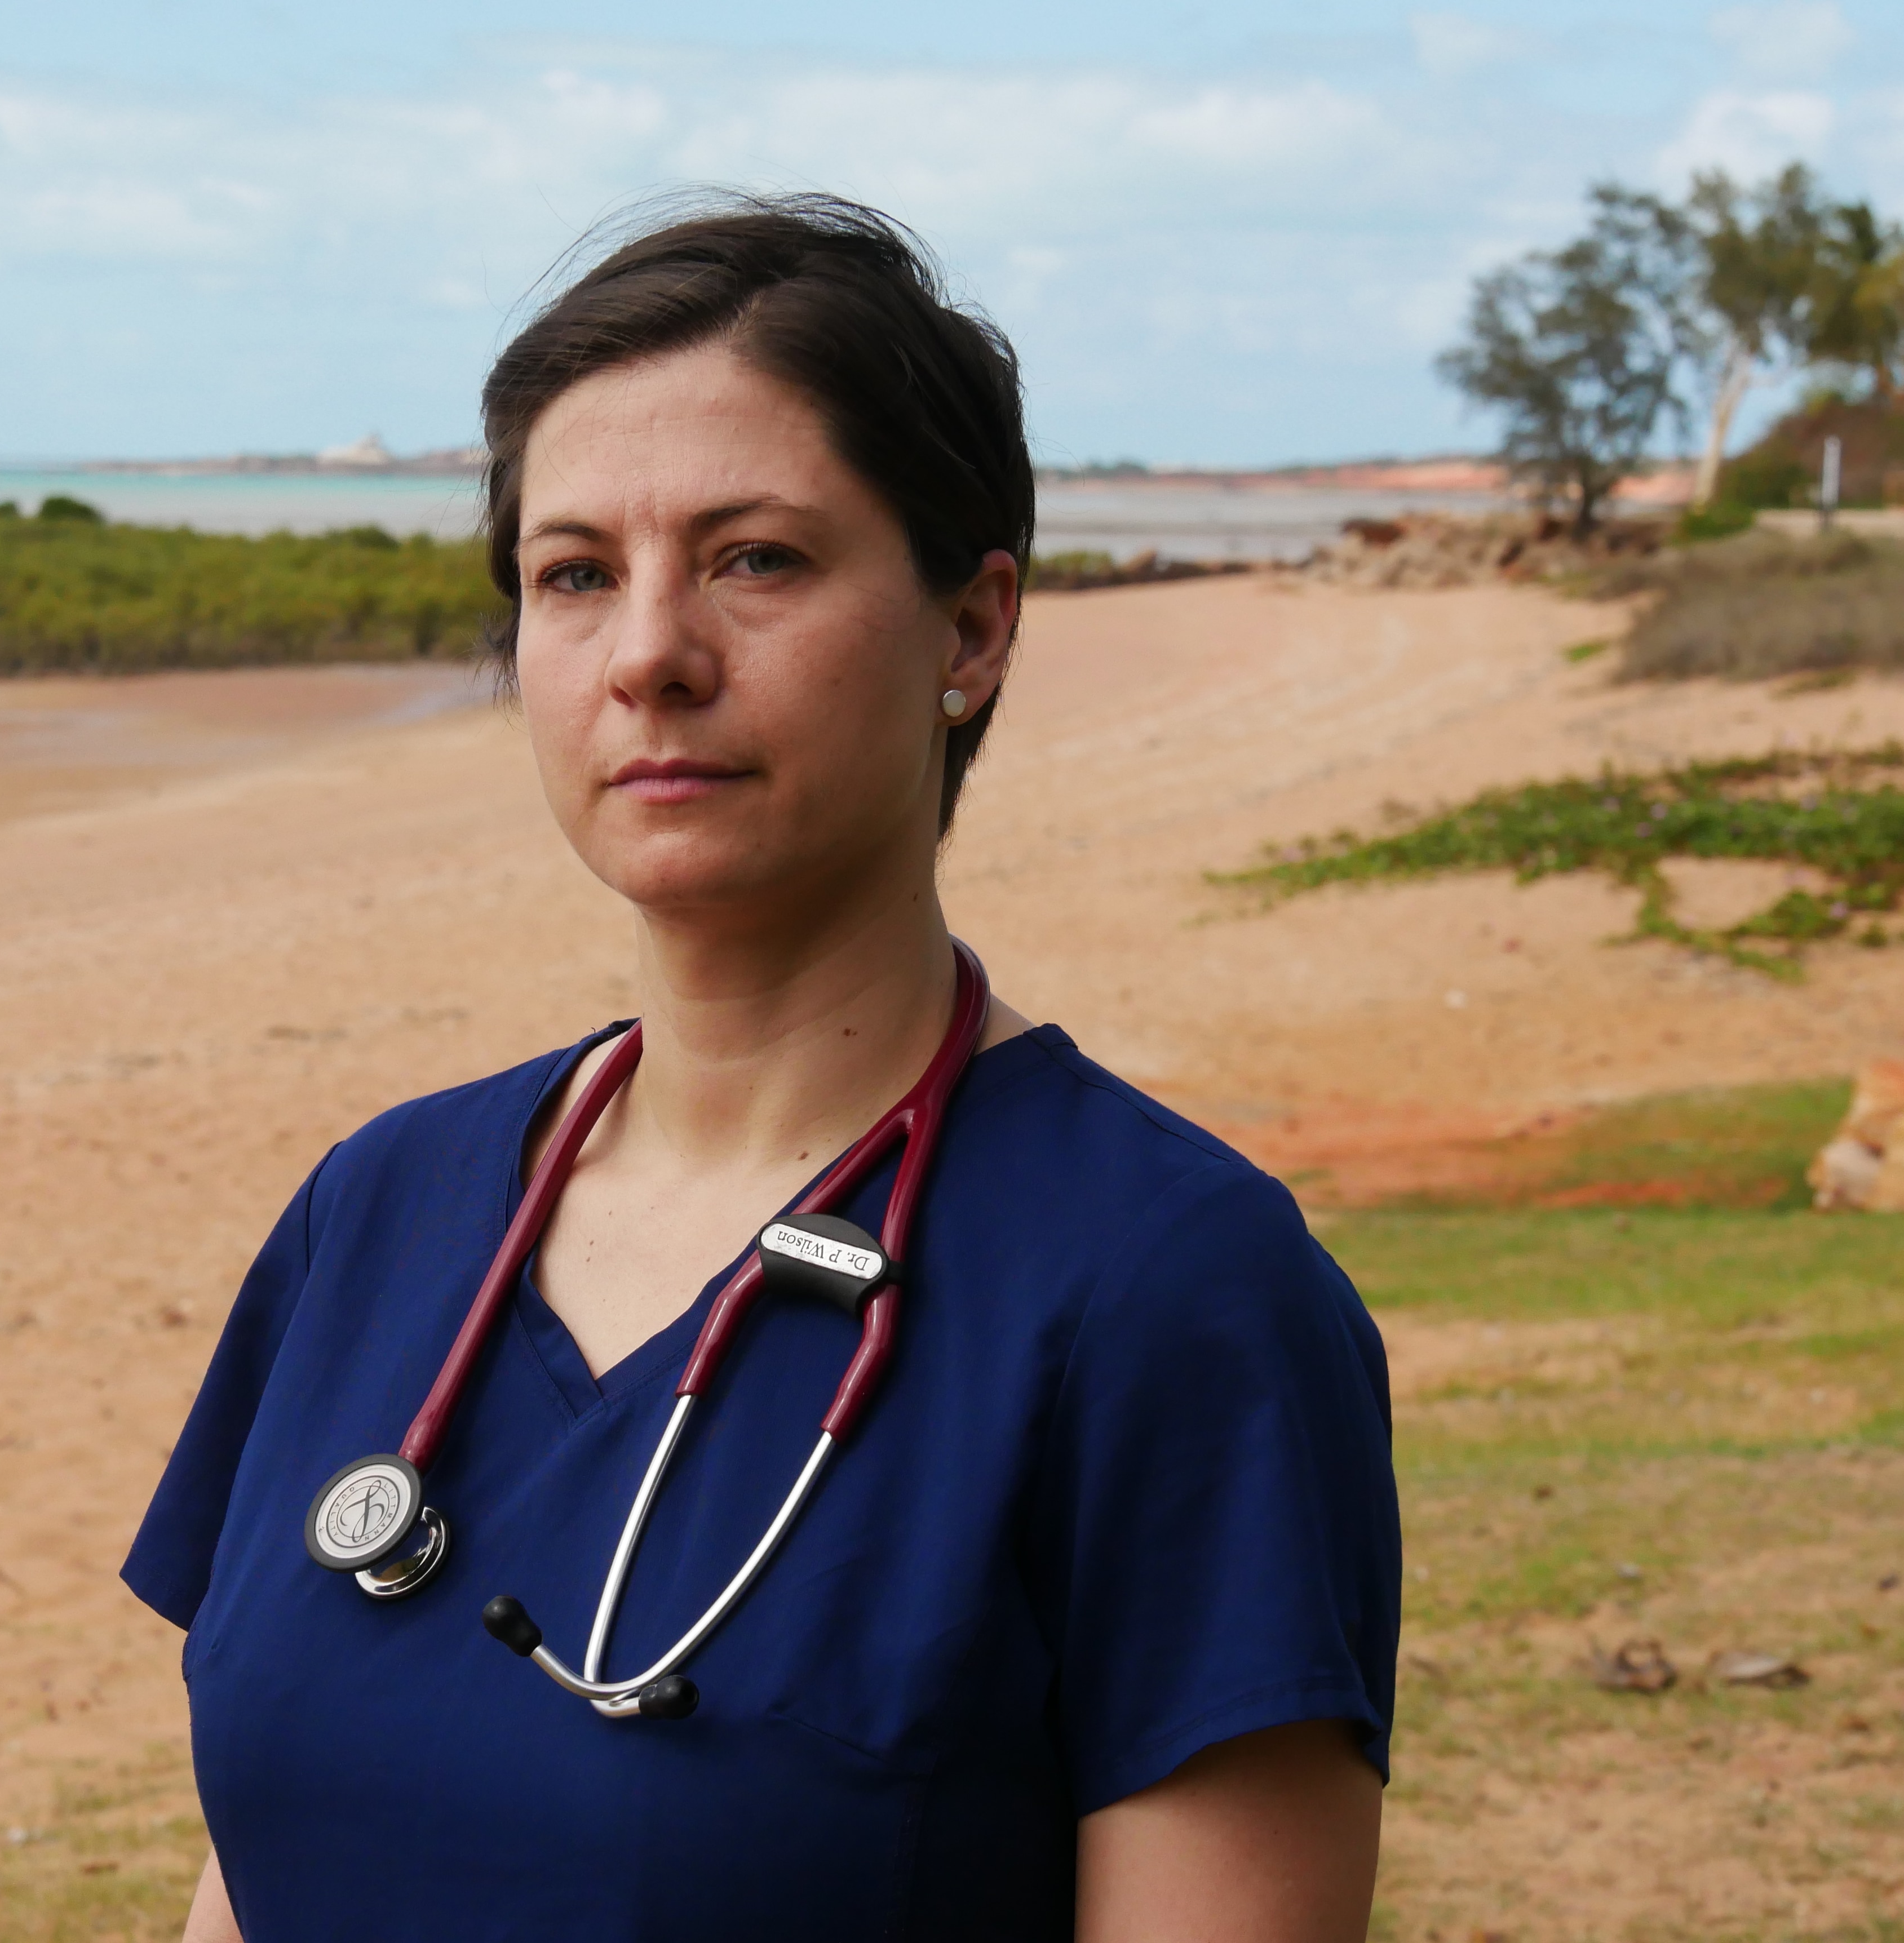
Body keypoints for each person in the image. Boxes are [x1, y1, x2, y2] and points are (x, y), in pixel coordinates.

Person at [122, 194, 1400, 1943]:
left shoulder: (1171, 1292)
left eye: (756, 559)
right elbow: (251, 1874)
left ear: (973, 633)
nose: (648, 653)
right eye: (575, 575)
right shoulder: (382, 1211)